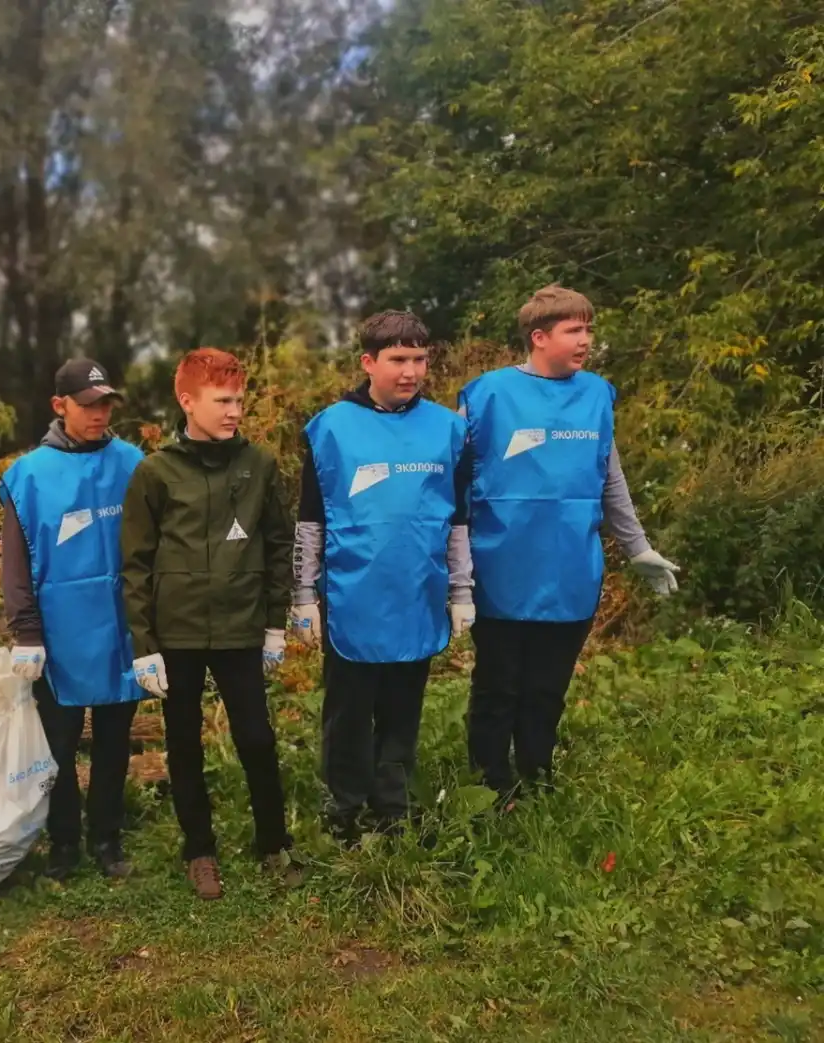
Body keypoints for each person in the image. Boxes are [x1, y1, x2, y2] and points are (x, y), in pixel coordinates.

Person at [453, 284, 680, 803]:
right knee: (498, 686)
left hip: (570, 568)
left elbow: (610, 478)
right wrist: (453, 573)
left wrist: (637, 546)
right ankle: (488, 784)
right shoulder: (486, 396)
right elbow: (453, 485)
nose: (586, 340)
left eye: (588, 329)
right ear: (539, 337)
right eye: (574, 330)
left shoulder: (597, 394)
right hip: (502, 568)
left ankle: (536, 774)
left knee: (546, 688)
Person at [119, 347, 297, 900]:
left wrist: (275, 624)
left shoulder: (259, 465)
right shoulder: (156, 472)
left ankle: (274, 843)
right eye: (222, 401)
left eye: (240, 400)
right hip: (179, 633)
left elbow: (277, 545)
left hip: (242, 626)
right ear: (187, 400)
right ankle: (199, 850)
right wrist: (144, 645)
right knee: (185, 743)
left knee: (257, 738)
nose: (233, 411)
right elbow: (135, 563)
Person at [290, 311, 468, 843]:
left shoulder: (448, 429)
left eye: (419, 359)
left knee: (402, 709)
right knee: (348, 712)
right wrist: (303, 595)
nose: (411, 371)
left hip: (418, 593)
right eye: (398, 360)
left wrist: (461, 590)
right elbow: (309, 520)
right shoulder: (331, 429)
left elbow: (458, 517)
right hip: (352, 599)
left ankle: (393, 807)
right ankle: (344, 808)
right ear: (369, 362)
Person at [0, 358, 145, 880]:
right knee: (57, 745)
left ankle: (107, 839)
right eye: (88, 405)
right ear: (60, 406)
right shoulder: (29, 477)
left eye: (106, 403)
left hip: (123, 630)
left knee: (112, 741)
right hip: (59, 634)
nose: (100, 414)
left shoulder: (134, 464)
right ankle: (63, 844)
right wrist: (26, 632)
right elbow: (15, 561)